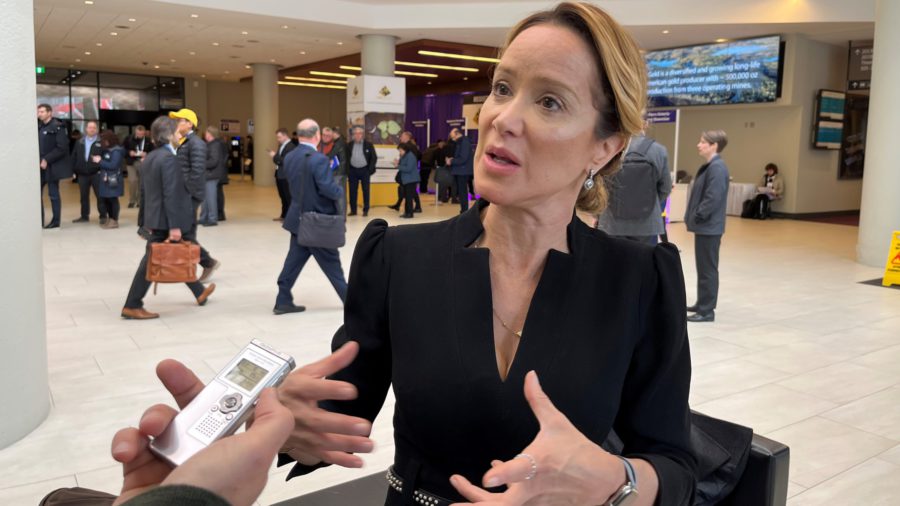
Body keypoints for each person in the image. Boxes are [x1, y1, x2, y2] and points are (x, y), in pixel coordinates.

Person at [273, 3, 693, 505]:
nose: (502, 118)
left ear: (604, 147)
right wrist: (287, 424)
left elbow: (674, 463)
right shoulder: (399, 259)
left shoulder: (638, 279)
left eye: (550, 102)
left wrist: (616, 479)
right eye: (502, 88)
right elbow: (335, 421)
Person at [122, 116, 215, 320]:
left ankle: (199, 292)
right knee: (152, 260)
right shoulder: (169, 159)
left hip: (156, 218)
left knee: (173, 252)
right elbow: (171, 194)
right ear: (169, 135)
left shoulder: (150, 158)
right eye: (176, 132)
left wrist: (143, 223)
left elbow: (145, 193)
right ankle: (132, 304)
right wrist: (174, 226)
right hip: (165, 220)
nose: (179, 135)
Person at [274, 119, 347, 315]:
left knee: (294, 261)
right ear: (316, 136)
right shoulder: (318, 159)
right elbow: (328, 189)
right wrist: (339, 189)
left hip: (298, 219)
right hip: (317, 221)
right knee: (332, 263)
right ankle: (352, 302)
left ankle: (283, 299)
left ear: (299, 135)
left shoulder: (290, 156)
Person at [169, 108, 221, 283]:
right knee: (186, 233)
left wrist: (186, 194)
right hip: (183, 193)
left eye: (180, 120)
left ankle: (207, 262)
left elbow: (197, 172)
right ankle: (204, 263)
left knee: (185, 233)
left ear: (190, 124)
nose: (176, 124)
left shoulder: (196, 143)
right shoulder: (182, 141)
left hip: (189, 195)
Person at [596, 127, 672, 245]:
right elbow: (665, 188)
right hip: (647, 225)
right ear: (644, 125)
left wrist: (597, 215)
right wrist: (650, 202)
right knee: (646, 257)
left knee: (614, 257)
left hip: (612, 223)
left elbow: (598, 186)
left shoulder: (608, 148)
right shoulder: (658, 150)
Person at [685, 130, 730, 323]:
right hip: (706, 226)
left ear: (714, 146)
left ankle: (706, 310)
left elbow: (713, 198)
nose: (699, 145)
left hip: (709, 226)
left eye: (703, 142)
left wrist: (698, 215)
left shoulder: (717, 168)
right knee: (703, 267)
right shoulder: (711, 166)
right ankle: (702, 303)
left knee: (708, 269)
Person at [37, 103, 73, 229]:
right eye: (38, 112)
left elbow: (62, 148)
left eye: (42, 112)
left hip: (52, 167)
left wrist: (47, 159)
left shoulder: (58, 126)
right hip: (39, 167)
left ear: (49, 113)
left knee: (53, 195)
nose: (39, 114)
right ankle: (39, 221)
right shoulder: (39, 127)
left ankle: (56, 221)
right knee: (36, 194)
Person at [71, 120, 105, 223]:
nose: (92, 129)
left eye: (94, 128)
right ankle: (84, 216)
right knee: (83, 196)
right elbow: (74, 156)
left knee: (100, 196)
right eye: (90, 127)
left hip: (97, 173)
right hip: (82, 174)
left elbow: (106, 157)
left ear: (97, 130)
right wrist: (73, 170)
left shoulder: (101, 142)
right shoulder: (79, 142)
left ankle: (103, 216)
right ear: (86, 129)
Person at [345, 125, 377, 216]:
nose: (358, 135)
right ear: (353, 135)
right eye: (356, 133)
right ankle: (353, 210)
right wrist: (348, 170)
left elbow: (374, 157)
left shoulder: (368, 145)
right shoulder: (349, 145)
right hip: (352, 171)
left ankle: (365, 210)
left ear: (362, 134)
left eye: (359, 133)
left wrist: (369, 170)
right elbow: (346, 158)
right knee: (352, 191)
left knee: (366, 191)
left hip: (365, 171)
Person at [97, 130, 126, 229]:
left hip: (113, 179)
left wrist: (100, 161)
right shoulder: (107, 150)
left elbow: (113, 165)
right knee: (107, 199)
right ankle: (111, 219)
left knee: (113, 199)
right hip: (106, 178)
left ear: (110, 140)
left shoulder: (116, 151)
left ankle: (114, 220)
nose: (103, 142)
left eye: (104, 140)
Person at [389, 131, 422, 213]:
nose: (400, 138)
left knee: (409, 191)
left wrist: (399, 165)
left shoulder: (409, 148)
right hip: (408, 173)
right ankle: (402, 205)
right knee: (408, 190)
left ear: (407, 137)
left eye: (402, 136)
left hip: (409, 174)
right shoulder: (410, 146)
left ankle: (411, 208)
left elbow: (410, 163)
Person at [200, 126, 227, 227]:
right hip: (208, 174)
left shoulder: (215, 145)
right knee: (205, 198)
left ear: (210, 134)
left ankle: (212, 218)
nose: (205, 135)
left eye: (206, 133)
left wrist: (201, 163)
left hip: (212, 174)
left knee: (211, 198)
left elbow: (213, 161)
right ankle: (204, 217)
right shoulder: (210, 144)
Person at [270, 127, 296, 222]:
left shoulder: (291, 146)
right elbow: (278, 160)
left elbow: (285, 161)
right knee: (283, 197)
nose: (278, 139)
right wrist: (275, 157)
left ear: (285, 135)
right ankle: (284, 215)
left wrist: (274, 156)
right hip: (279, 174)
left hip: (286, 175)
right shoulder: (282, 145)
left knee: (288, 197)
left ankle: (289, 218)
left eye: (279, 137)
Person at [446, 127, 473, 213]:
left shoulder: (464, 142)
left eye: (452, 135)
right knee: (461, 191)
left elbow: (463, 158)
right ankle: (463, 210)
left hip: (463, 171)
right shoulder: (460, 142)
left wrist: (451, 161)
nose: (451, 138)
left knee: (462, 191)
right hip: (461, 170)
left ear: (457, 133)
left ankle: (464, 210)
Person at [124, 125, 151, 209]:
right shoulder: (128, 139)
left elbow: (153, 151)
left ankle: (140, 201)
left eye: (142, 134)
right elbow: (123, 149)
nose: (140, 136)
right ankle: (132, 201)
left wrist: (147, 154)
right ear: (135, 132)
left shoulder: (148, 140)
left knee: (141, 182)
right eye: (138, 134)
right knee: (133, 181)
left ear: (144, 133)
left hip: (143, 162)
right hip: (131, 162)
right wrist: (129, 152)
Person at [396, 142, 420, 218]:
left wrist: (398, 166)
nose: (400, 152)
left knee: (409, 197)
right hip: (407, 180)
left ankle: (410, 213)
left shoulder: (410, 156)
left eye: (401, 150)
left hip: (411, 180)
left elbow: (408, 168)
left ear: (405, 149)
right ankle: (407, 212)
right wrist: (398, 163)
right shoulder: (405, 156)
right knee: (406, 197)